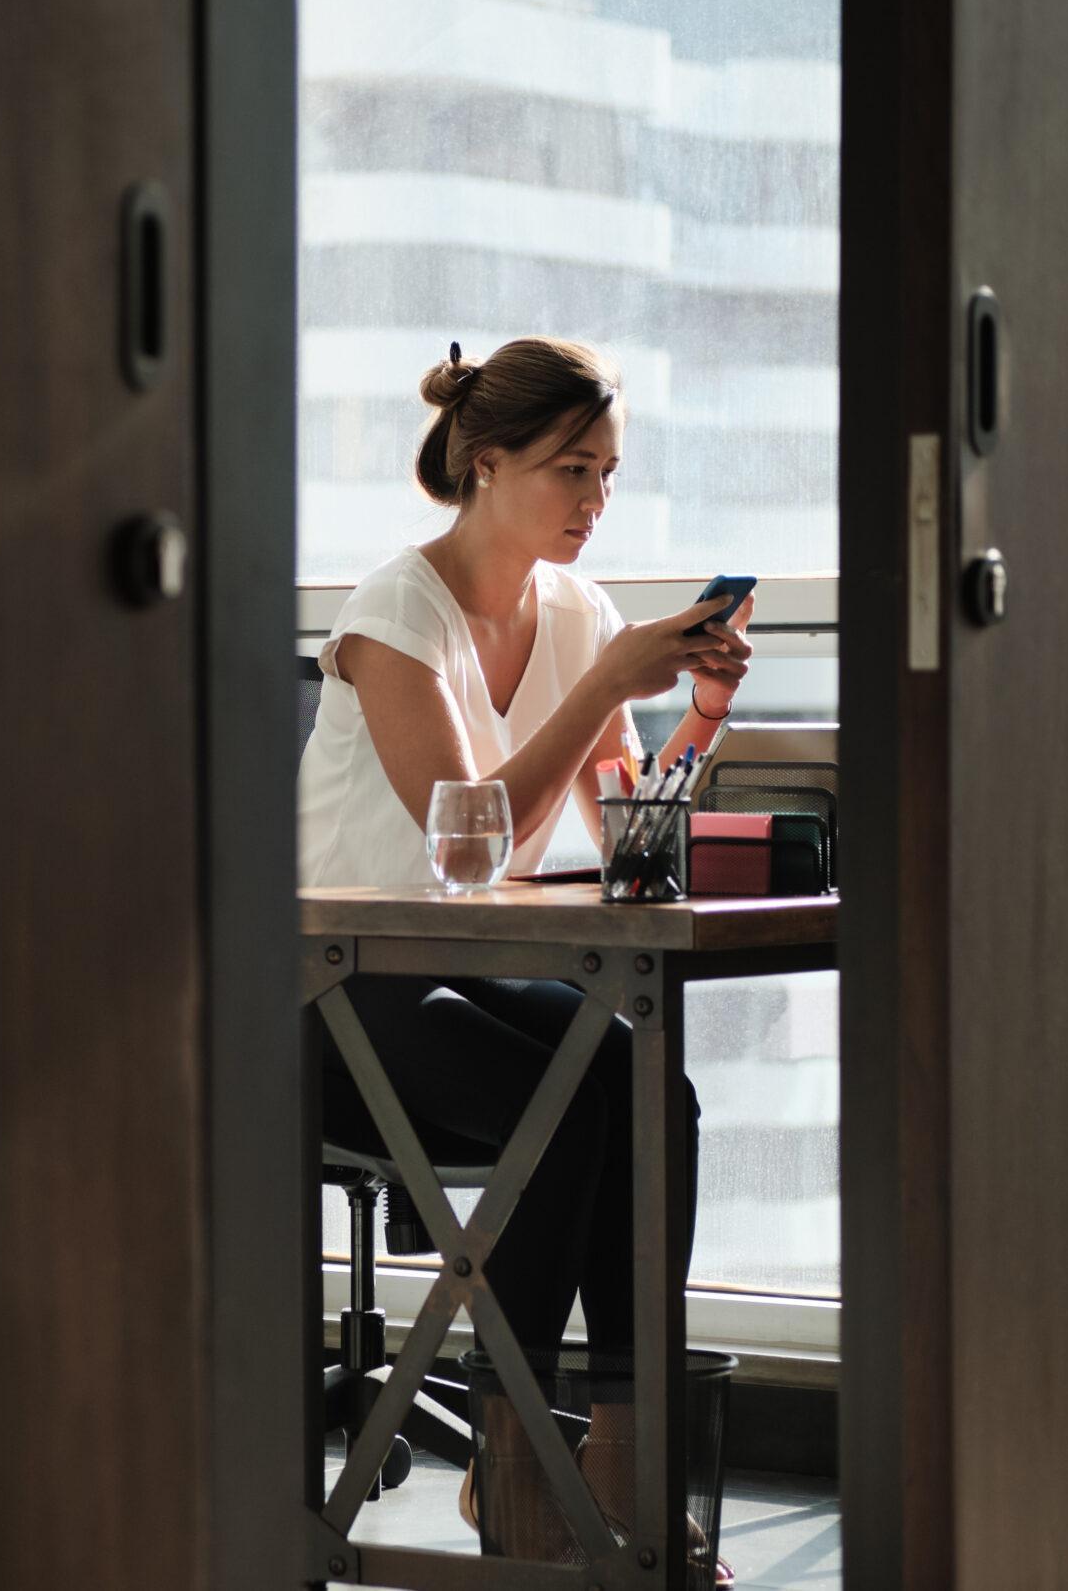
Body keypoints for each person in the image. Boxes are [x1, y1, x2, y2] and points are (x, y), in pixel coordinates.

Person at [298, 337, 753, 1575]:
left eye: (608, 473)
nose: (595, 502)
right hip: (332, 990)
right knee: (561, 1102)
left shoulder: (578, 614)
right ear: (484, 464)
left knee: (642, 1076)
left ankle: (613, 1445)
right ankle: (515, 1459)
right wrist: (604, 679)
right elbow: (465, 840)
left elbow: (623, 839)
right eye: (570, 471)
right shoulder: (395, 615)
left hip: (460, 974)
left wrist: (693, 714)